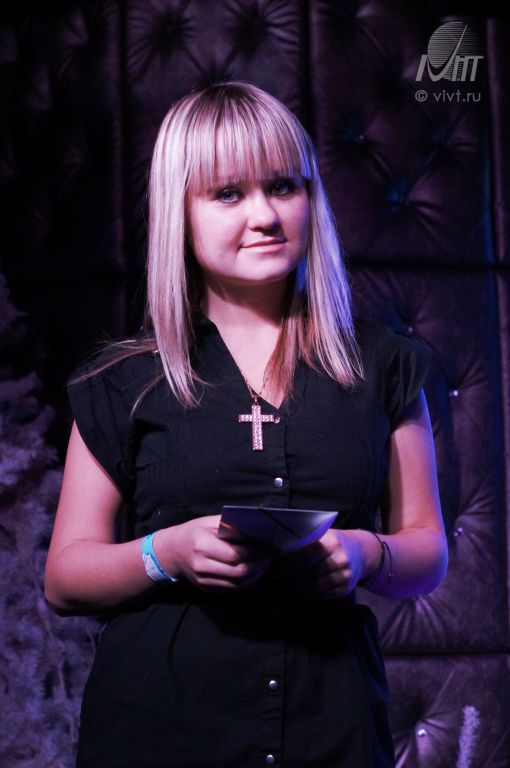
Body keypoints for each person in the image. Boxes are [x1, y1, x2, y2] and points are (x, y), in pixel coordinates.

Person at [45, 81, 448, 768]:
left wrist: (364, 554)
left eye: (283, 186)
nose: (264, 214)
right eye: (228, 193)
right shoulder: (125, 380)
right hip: (160, 730)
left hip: (332, 726)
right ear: (180, 212)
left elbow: (427, 551)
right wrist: (165, 553)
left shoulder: (385, 364)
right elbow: (64, 577)